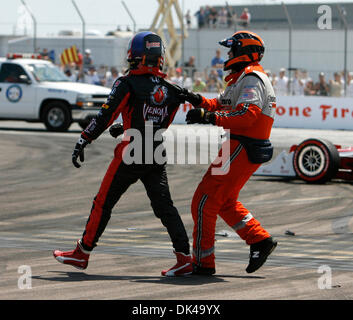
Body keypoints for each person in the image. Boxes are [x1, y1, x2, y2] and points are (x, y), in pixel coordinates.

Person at [53, 31, 193, 277]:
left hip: (130, 153)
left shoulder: (126, 83)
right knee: (165, 207)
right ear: (160, 57)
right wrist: (128, 126)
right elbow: (160, 123)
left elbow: (105, 116)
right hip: (155, 151)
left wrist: (84, 138)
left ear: (134, 55)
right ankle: (184, 257)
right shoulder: (172, 90)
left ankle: (82, 253)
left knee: (103, 203)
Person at [179, 30, 277, 275]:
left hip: (242, 146)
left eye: (232, 50)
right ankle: (259, 240)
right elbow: (221, 104)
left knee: (203, 202)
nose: (228, 54)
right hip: (238, 145)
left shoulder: (252, 78)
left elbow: (247, 115)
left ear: (243, 52)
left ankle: (203, 263)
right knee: (224, 202)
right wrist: (196, 99)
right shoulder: (243, 77)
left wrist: (210, 118)